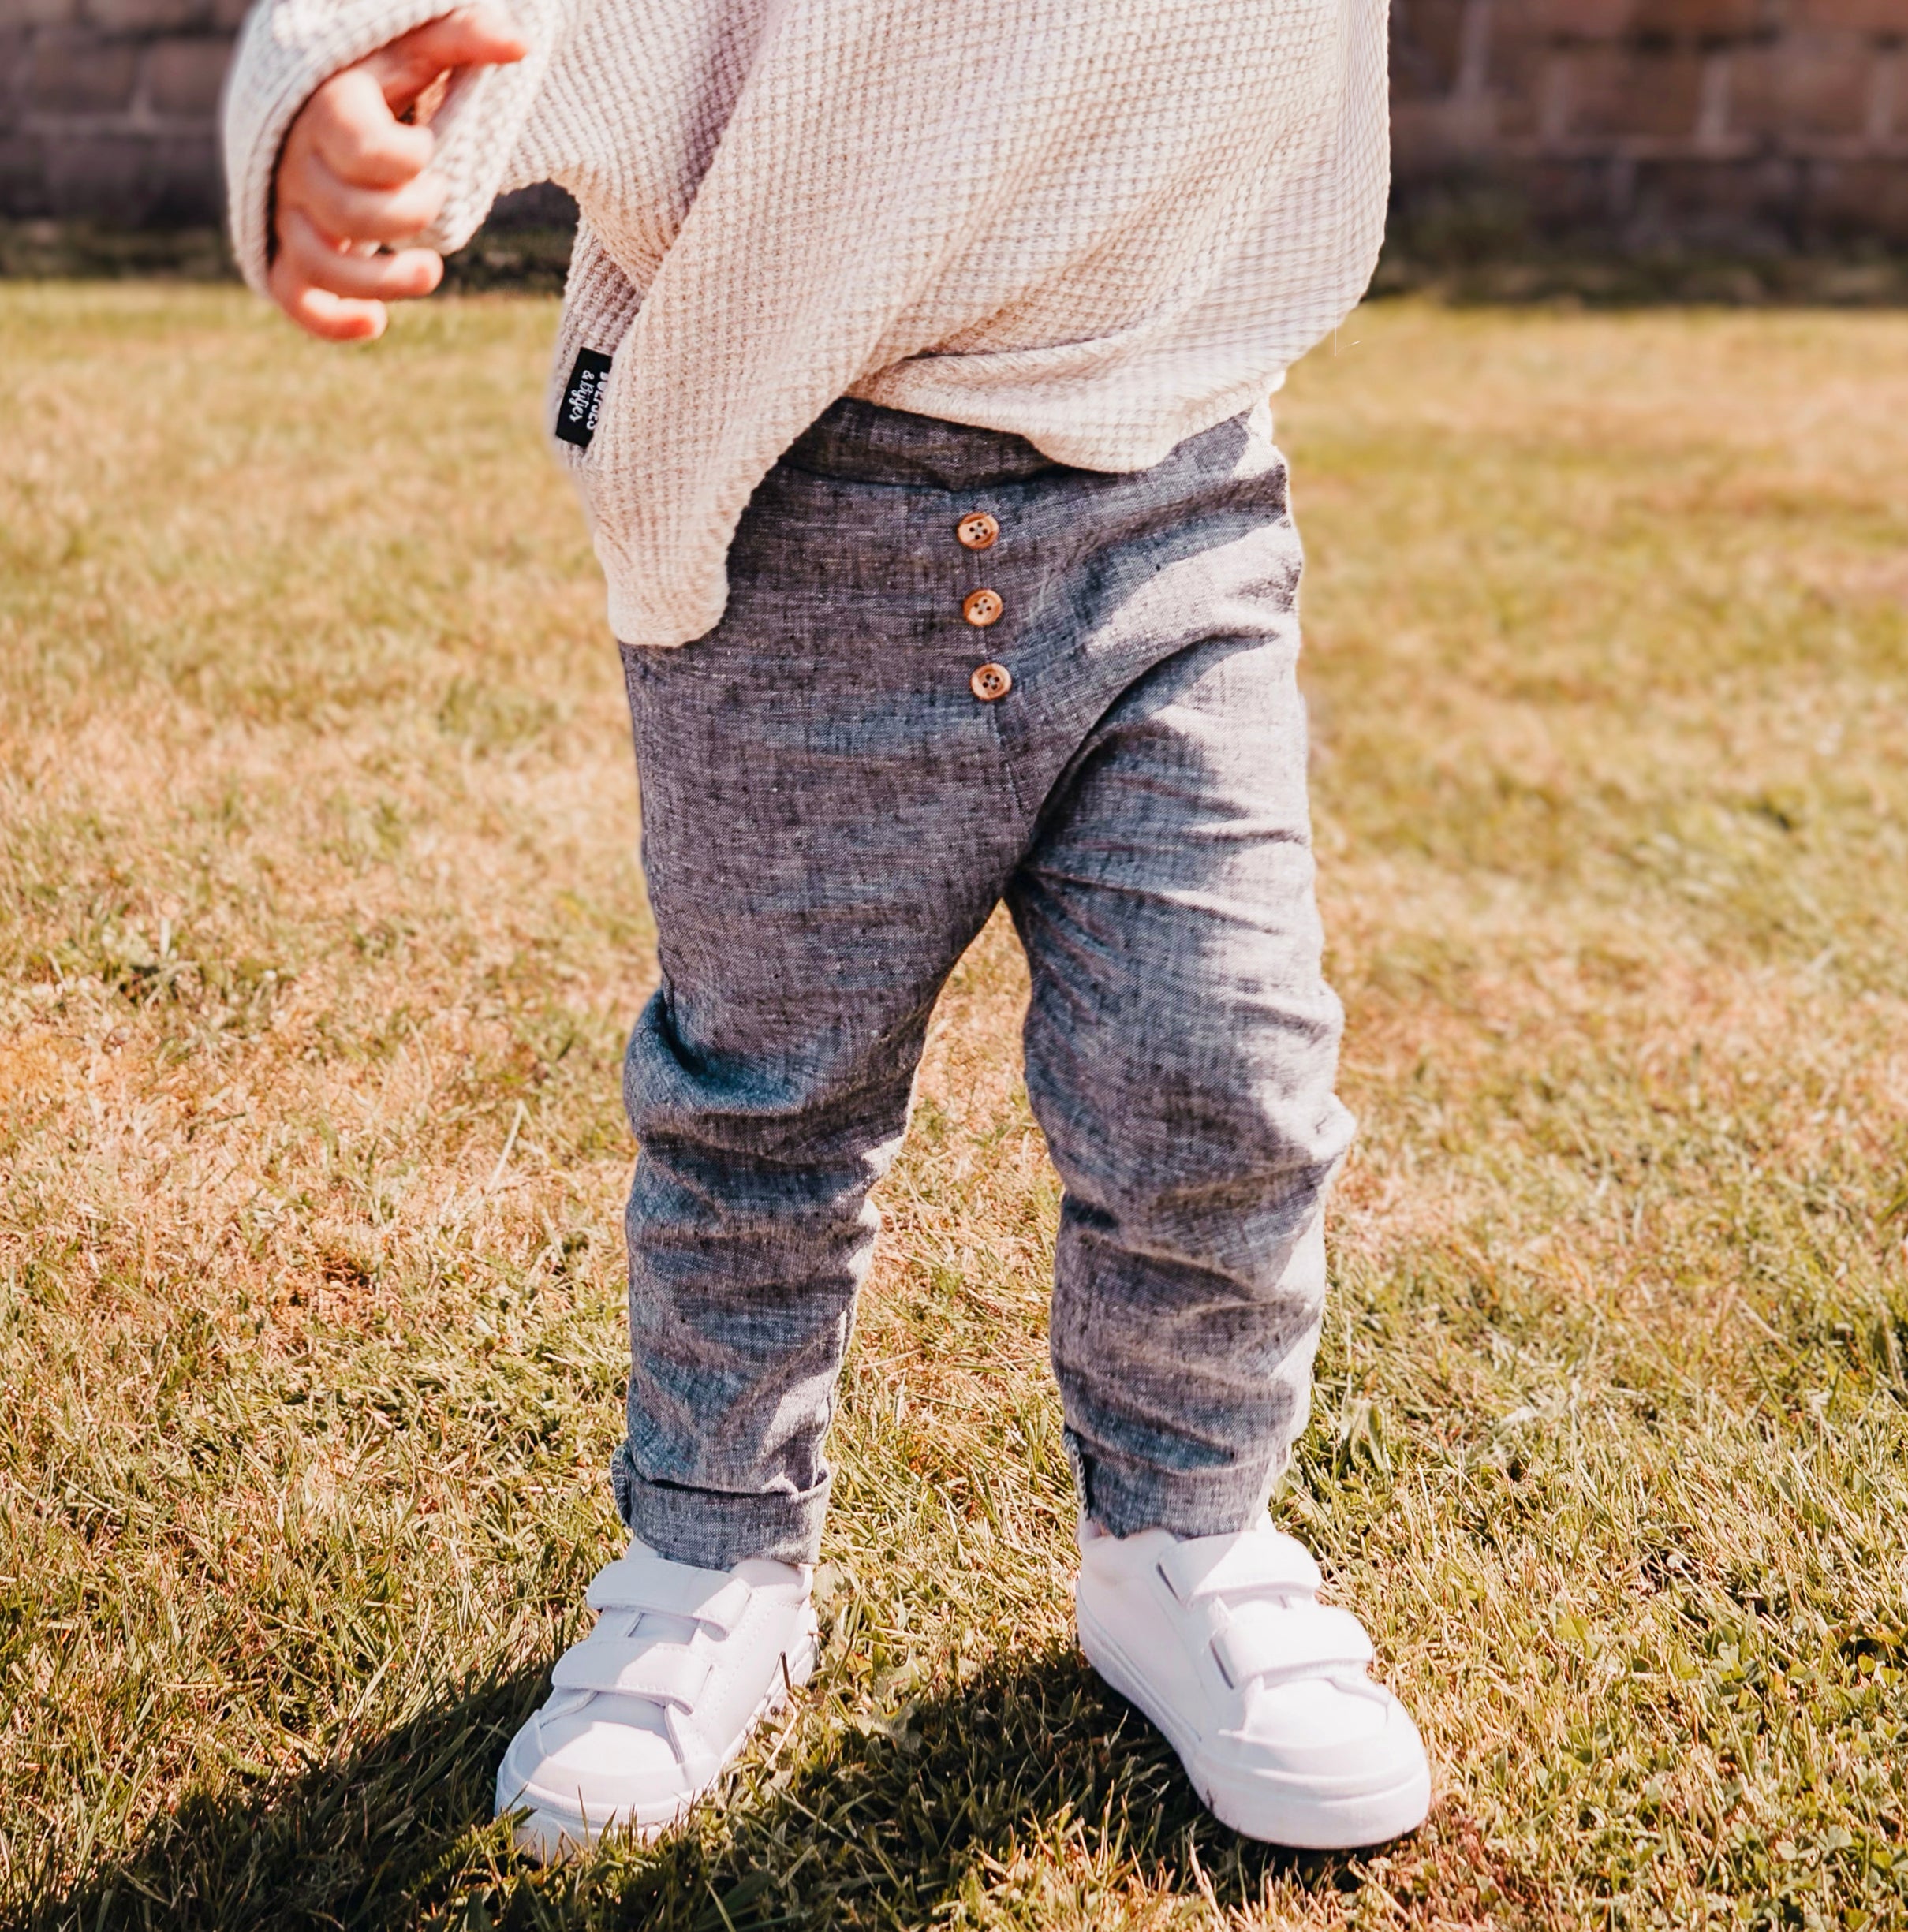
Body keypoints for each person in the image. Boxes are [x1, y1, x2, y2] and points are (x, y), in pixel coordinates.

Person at [221, 0, 1432, 1859]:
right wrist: (333, 86)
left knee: (1223, 1066)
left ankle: (1185, 1534)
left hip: (1171, 488)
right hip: (796, 499)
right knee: (763, 1101)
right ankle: (711, 1549)